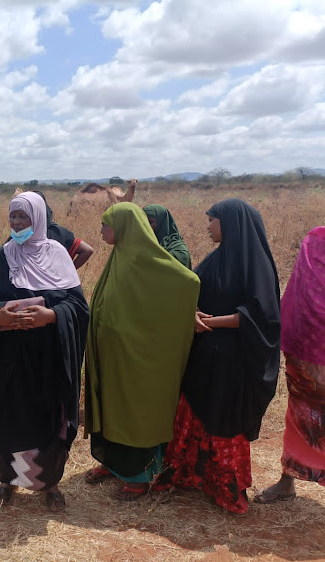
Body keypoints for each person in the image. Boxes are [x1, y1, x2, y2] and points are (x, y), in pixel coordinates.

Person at [156, 198, 280, 516]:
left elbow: (261, 314)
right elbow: (192, 292)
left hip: (233, 359)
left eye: (212, 220)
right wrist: (192, 314)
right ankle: (188, 474)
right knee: (194, 412)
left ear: (231, 224)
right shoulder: (216, 259)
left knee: (223, 420)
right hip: (205, 353)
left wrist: (210, 323)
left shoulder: (255, 264)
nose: (208, 226)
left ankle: (226, 487)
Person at [0, 192, 89, 511]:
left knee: (47, 418)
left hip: (49, 358)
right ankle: (7, 481)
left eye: (23, 217)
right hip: (11, 359)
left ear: (37, 218)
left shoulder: (57, 254)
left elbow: (78, 308)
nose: (17, 223)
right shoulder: (2, 257)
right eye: (13, 217)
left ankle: (48, 483)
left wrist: (50, 315)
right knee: (10, 417)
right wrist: (0, 315)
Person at [84, 202, 199, 500]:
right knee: (113, 408)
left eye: (106, 225)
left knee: (134, 411)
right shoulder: (120, 256)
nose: (101, 231)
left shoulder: (152, 260)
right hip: (113, 354)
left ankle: (138, 475)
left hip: (138, 357)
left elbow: (188, 282)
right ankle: (112, 464)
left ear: (123, 227)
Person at [256, 227, 325, 503]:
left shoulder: (314, 239)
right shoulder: (315, 239)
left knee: (301, 414)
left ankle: (287, 482)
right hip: (308, 347)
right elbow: (303, 292)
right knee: (299, 414)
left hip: (306, 343)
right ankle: (287, 481)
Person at [33, 191, 94, 269]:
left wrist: (69, 271)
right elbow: (87, 250)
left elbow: (88, 250)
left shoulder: (20, 236)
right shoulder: (59, 233)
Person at [142, 204, 191, 268]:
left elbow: (183, 259)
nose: (146, 225)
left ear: (161, 223)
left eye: (150, 222)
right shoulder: (138, 241)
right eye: (143, 221)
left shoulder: (177, 249)